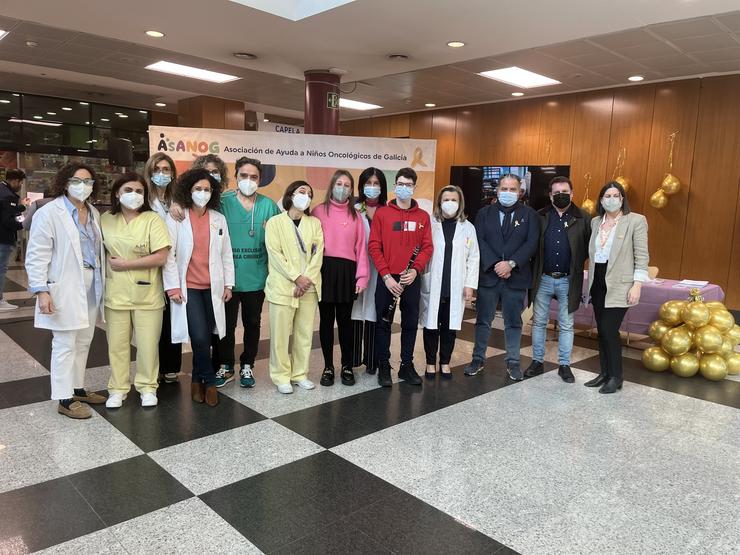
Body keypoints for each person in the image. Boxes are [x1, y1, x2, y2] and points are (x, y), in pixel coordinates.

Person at [25, 163, 106, 419]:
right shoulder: (50, 213)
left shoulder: (93, 212)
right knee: (64, 343)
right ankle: (64, 397)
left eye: (89, 181)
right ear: (65, 182)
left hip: (91, 282)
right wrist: (41, 290)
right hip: (64, 284)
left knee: (84, 340)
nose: (83, 186)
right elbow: (37, 254)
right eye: (77, 180)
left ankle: (77, 387)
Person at [163, 169, 234, 406]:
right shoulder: (177, 216)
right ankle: (210, 382)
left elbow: (226, 254)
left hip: (212, 287)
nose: (202, 193)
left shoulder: (218, 218)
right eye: (197, 189)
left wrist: (228, 283)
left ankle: (196, 379)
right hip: (189, 287)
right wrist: (172, 287)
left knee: (210, 336)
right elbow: (169, 255)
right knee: (201, 337)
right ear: (188, 190)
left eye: (207, 189)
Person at [100, 172, 171, 409]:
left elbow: (161, 256)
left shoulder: (153, 220)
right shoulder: (106, 219)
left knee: (148, 345)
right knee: (117, 346)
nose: (134, 195)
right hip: (116, 294)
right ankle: (118, 388)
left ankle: (147, 387)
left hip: (148, 294)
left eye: (139, 191)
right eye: (128, 190)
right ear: (117, 193)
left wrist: (126, 264)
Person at [464, 173, 539, 380]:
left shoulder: (529, 215)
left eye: (512, 189)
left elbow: (531, 243)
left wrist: (511, 264)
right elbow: (479, 240)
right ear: (497, 191)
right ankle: (478, 359)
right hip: (489, 276)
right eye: (504, 189)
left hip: (516, 277)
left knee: (513, 322)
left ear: (520, 192)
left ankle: (513, 362)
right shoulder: (484, 214)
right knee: (483, 320)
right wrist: (496, 264)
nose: (508, 193)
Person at [216, 157, 280, 388]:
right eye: (243, 176)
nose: (248, 180)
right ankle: (225, 365)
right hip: (228, 279)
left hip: (256, 277)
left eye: (254, 177)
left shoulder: (269, 206)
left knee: (252, 323)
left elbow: (277, 243)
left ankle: (247, 365)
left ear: (260, 179)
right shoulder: (222, 202)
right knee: (227, 324)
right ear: (236, 176)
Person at [368, 167, 433, 387]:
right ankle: (384, 365)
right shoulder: (383, 214)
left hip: (411, 279)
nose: (404, 188)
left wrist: (415, 270)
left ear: (414, 187)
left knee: (410, 323)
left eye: (409, 185)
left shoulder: (423, 216)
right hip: (388, 278)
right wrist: (386, 276)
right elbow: (374, 246)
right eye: (400, 184)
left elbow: (427, 247)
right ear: (395, 185)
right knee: (383, 323)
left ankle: (406, 365)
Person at [525, 176, 591, 383]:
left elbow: (589, 249)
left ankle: (564, 365)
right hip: (543, 278)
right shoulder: (540, 216)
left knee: (566, 324)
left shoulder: (584, 218)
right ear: (550, 195)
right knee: (539, 323)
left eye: (565, 192)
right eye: (557, 193)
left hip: (568, 280)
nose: (561, 195)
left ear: (572, 194)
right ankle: (537, 361)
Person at [585, 181, 648, 394]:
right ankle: (604, 373)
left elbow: (641, 256)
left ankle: (616, 376)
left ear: (622, 199)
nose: (611, 199)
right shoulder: (595, 222)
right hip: (598, 281)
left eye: (616, 195)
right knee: (601, 331)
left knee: (610, 330)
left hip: (620, 284)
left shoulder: (635, 221)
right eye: (607, 196)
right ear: (601, 200)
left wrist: (637, 285)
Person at [264, 181, 323, 394]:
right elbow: (275, 254)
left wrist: (306, 279)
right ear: (290, 195)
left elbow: (318, 253)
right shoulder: (274, 223)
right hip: (282, 287)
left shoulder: (314, 223)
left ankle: (300, 374)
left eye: (309, 193)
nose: (305, 196)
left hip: (308, 287)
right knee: (280, 335)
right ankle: (281, 376)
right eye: (301, 191)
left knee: (304, 333)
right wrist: (296, 277)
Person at [312, 170, 368, 387]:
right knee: (326, 322)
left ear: (351, 190)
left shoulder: (356, 216)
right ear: (332, 186)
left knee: (346, 323)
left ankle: (346, 365)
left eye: (347, 185)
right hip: (324, 270)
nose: (342, 188)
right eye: (339, 184)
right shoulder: (318, 211)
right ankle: (328, 366)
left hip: (347, 272)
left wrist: (362, 277)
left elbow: (361, 248)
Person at [420, 186, 479, 379]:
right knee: (431, 326)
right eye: (446, 199)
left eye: (454, 200)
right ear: (439, 202)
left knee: (449, 326)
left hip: (455, 286)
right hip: (433, 282)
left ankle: (445, 362)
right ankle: (430, 363)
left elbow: (474, 257)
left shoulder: (468, 227)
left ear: (460, 203)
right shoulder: (430, 223)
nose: (450, 203)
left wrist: (470, 284)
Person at [143, 152, 182, 384]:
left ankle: (171, 366)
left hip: (175, 264)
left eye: (166, 169)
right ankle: (152, 367)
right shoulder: (144, 199)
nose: (162, 174)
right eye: (157, 169)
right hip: (152, 264)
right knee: (153, 319)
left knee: (172, 317)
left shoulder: (177, 198)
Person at [351, 167, 388, 376]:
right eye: (368, 183)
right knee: (355, 310)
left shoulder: (388, 210)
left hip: (381, 268)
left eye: (376, 184)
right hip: (357, 266)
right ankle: (354, 358)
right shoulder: (354, 208)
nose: (372, 188)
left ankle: (372, 360)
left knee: (375, 310)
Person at [0, 169, 28, 311]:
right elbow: (9, 220)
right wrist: (23, 222)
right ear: (15, 181)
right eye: (21, 183)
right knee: (1, 269)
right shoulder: (8, 196)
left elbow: (5, 211)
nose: (21, 185)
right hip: (3, 238)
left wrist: (21, 207)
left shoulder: (1, 190)